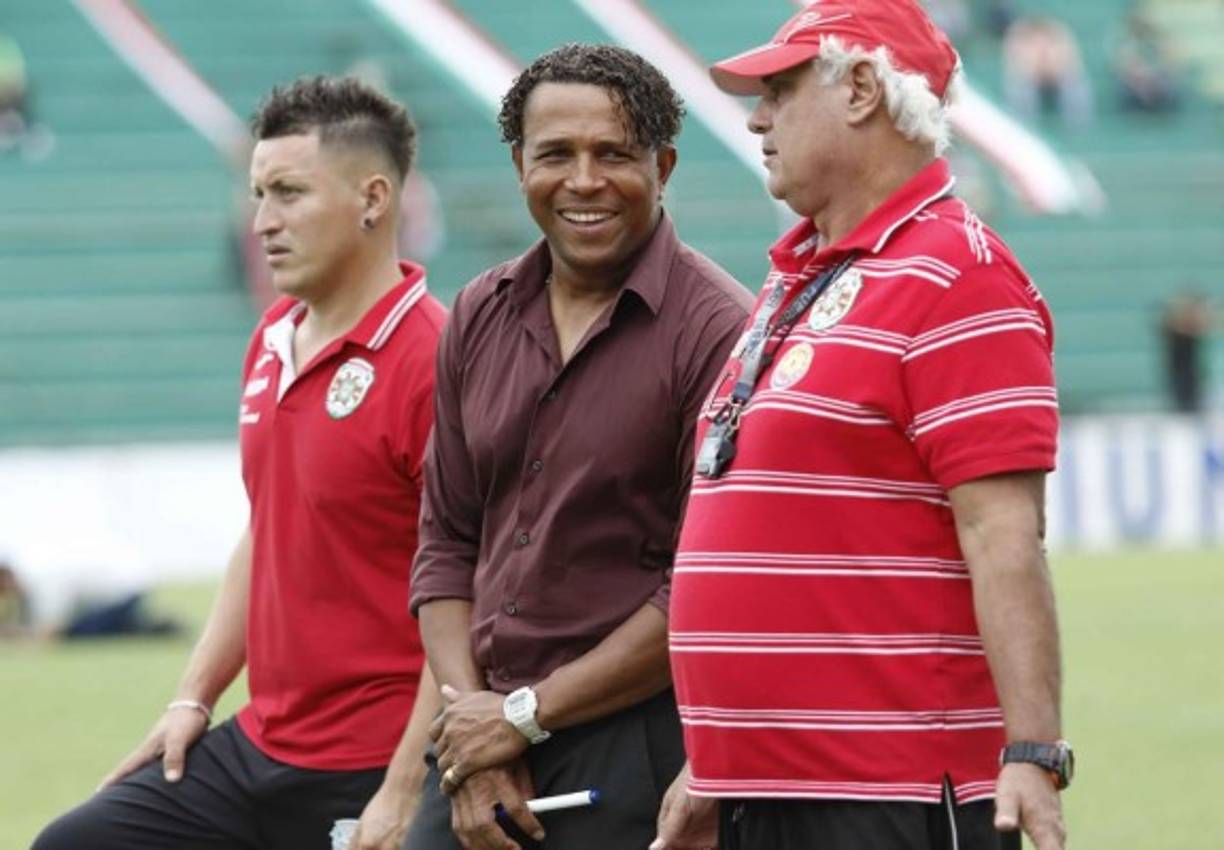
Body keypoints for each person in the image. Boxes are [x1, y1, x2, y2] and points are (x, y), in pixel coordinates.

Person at [652, 3, 1071, 850]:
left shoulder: (958, 277)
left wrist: (1032, 750)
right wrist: (724, 761)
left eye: (780, 90)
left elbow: (1003, 536)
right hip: (770, 785)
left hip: (889, 791)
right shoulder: (802, 274)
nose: (758, 118)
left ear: (863, 90)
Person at [33, 75, 447, 850]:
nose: (262, 222)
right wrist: (192, 699)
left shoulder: (439, 361)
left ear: (373, 199)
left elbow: (473, 587)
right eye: (258, 194)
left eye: (289, 193)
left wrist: (407, 787)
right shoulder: (272, 339)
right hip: (259, 746)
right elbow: (267, 530)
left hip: (373, 761)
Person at [406, 43, 754, 850]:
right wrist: (476, 727)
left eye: (614, 154)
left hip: (635, 742)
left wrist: (521, 718)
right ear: (519, 165)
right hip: (478, 736)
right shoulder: (478, 312)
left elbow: (700, 587)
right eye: (556, 154)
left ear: (663, 166)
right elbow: (446, 545)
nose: (584, 180)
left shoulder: (718, 333)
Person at [1003, 15, 1093, 128]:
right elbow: (1018, 68)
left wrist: (1050, 70)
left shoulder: (1058, 36)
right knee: (1022, 88)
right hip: (1031, 79)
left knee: (1075, 86)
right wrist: (1038, 70)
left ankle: (1078, 126)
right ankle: (1024, 127)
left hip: (1056, 77)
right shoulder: (1021, 37)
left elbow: (1070, 63)